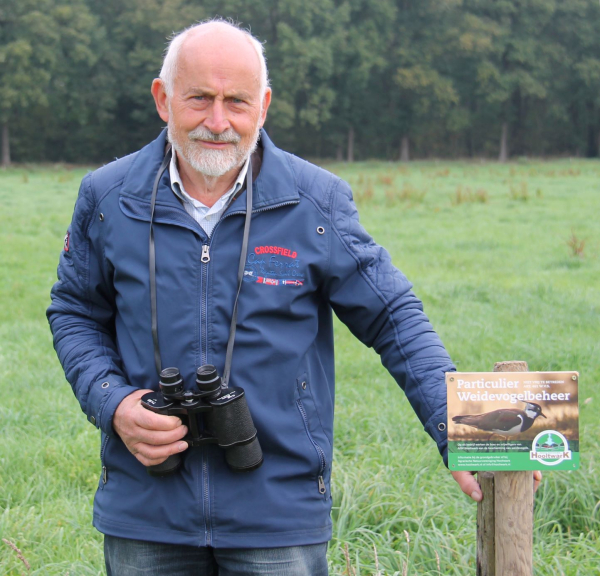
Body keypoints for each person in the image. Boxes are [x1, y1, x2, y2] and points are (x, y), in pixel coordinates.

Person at [47, 19, 534, 576]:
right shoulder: (107, 197)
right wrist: (113, 402)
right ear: (163, 99)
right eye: (199, 98)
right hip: (145, 512)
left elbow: (393, 316)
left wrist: (464, 431)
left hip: (277, 518)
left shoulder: (315, 203)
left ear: (264, 106)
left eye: (237, 102)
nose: (217, 122)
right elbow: (75, 312)